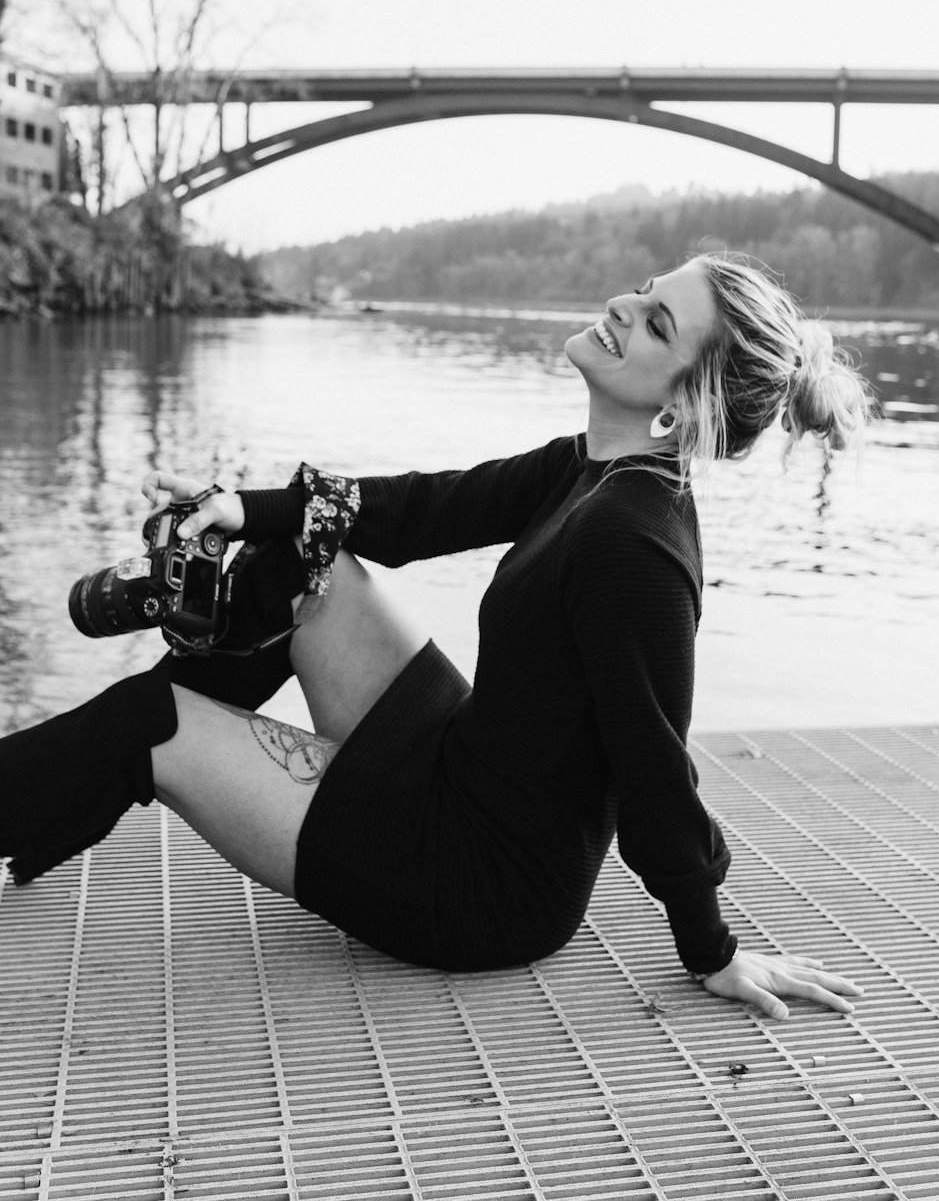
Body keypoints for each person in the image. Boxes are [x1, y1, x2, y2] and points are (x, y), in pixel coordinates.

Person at [1, 252, 870, 1021]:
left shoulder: (631, 544)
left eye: (655, 322)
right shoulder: (592, 469)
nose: (621, 306)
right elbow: (425, 508)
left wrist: (709, 948)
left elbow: (651, 762)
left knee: (147, 720)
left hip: (475, 882)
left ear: (683, 406)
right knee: (307, 558)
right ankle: (77, 787)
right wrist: (245, 507)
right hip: (459, 769)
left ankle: (108, 763)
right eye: (644, 289)